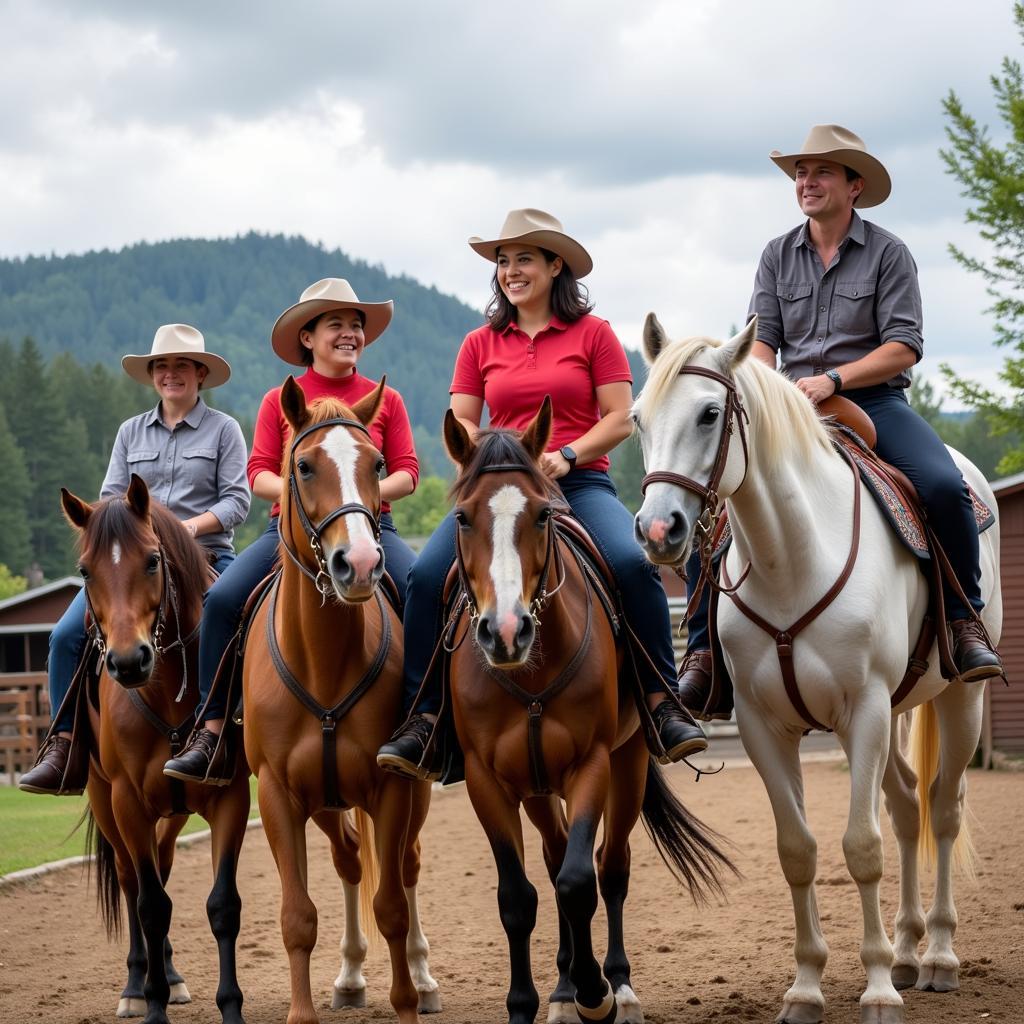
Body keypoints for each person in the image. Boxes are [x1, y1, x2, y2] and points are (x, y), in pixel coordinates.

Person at [678, 124, 1003, 719]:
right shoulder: (776, 254)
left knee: (943, 485)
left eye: (821, 172)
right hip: (788, 410)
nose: (806, 181)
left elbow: (903, 346)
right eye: (801, 172)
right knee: (715, 508)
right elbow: (762, 343)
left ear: (855, 186)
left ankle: (963, 623)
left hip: (873, 403)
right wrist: (767, 390)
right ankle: (703, 658)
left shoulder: (889, 253)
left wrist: (833, 380)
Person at [377, 208, 708, 780]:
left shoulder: (594, 334)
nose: (511, 271)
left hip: (579, 481)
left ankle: (661, 704)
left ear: (557, 265)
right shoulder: (479, 342)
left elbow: (620, 418)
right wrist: (503, 463)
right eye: (503, 262)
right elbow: (462, 423)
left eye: (524, 259)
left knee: (632, 564)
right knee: (426, 576)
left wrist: (567, 454)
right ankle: (425, 719)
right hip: (499, 490)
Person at [162, 278, 419, 784]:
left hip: (372, 528)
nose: (350, 334)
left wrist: (357, 498)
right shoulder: (280, 400)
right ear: (308, 337)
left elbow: (408, 471)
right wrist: (305, 494)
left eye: (356, 326)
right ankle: (212, 729)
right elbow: (257, 473)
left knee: (426, 589)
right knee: (222, 601)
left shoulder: (384, 399)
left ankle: (426, 721)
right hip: (292, 531)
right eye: (336, 325)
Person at [20, 324, 250, 794]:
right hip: (130, 564)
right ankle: (63, 747)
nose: (171, 375)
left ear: (200, 373)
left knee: (233, 619)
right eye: (161, 367)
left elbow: (236, 501)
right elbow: (109, 500)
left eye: (181, 366)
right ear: (152, 377)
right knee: (65, 634)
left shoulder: (224, 429)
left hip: (204, 554)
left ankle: (234, 731)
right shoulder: (130, 433)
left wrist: (186, 529)